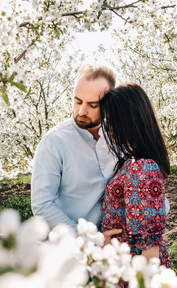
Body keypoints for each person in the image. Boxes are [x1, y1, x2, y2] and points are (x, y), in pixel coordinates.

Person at [31, 65, 120, 232]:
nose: (81, 111)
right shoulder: (54, 142)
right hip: (71, 247)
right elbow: (42, 205)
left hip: (116, 248)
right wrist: (88, 241)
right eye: (77, 101)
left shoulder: (120, 138)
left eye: (92, 105)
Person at [99, 82, 172, 268]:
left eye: (111, 121)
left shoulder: (143, 168)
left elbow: (150, 252)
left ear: (127, 121)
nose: (108, 129)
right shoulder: (132, 163)